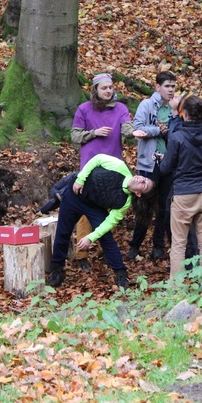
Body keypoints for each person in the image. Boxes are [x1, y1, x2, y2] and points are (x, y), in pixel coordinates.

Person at [48, 154, 154, 290]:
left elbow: (108, 223)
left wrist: (90, 237)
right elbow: (97, 159)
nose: (142, 179)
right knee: (63, 232)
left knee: (106, 238)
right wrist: (81, 179)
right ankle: (57, 270)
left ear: (138, 194)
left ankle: (121, 273)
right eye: (144, 178)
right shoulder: (119, 167)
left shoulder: (124, 203)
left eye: (144, 184)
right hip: (74, 194)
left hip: (94, 206)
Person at [69, 73, 134, 271]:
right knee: (85, 212)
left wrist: (136, 132)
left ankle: (108, 251)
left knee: (109, 212)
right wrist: (94, 133)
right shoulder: (84, 109)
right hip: (90, 167)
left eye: (110, 87)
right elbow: (74, 136)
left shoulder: (120, 108)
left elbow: (127, 129)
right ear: (95, 90)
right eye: (104, 88)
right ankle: (81, 255)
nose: (108, 91)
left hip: (114, 169)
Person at [159, 95, 202, 279]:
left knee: (179, 244)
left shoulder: (177, 138)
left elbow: (165, 169)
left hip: (182, 195)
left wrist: (166, 160)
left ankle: (177, 288)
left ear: (185, 114)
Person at [129, 71, 177, 261]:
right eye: (167, 86)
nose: (171, 90)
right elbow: (137, 129)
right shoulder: (147, 105)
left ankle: (158, 246)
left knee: (165, 206)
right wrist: (158, 129)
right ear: (158, 87)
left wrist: (168, 131)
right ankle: (135, 245)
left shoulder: (174, 109)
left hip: (168, 162)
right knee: (145, 205)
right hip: (149, 163)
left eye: (173, 86)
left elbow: (177, 134)